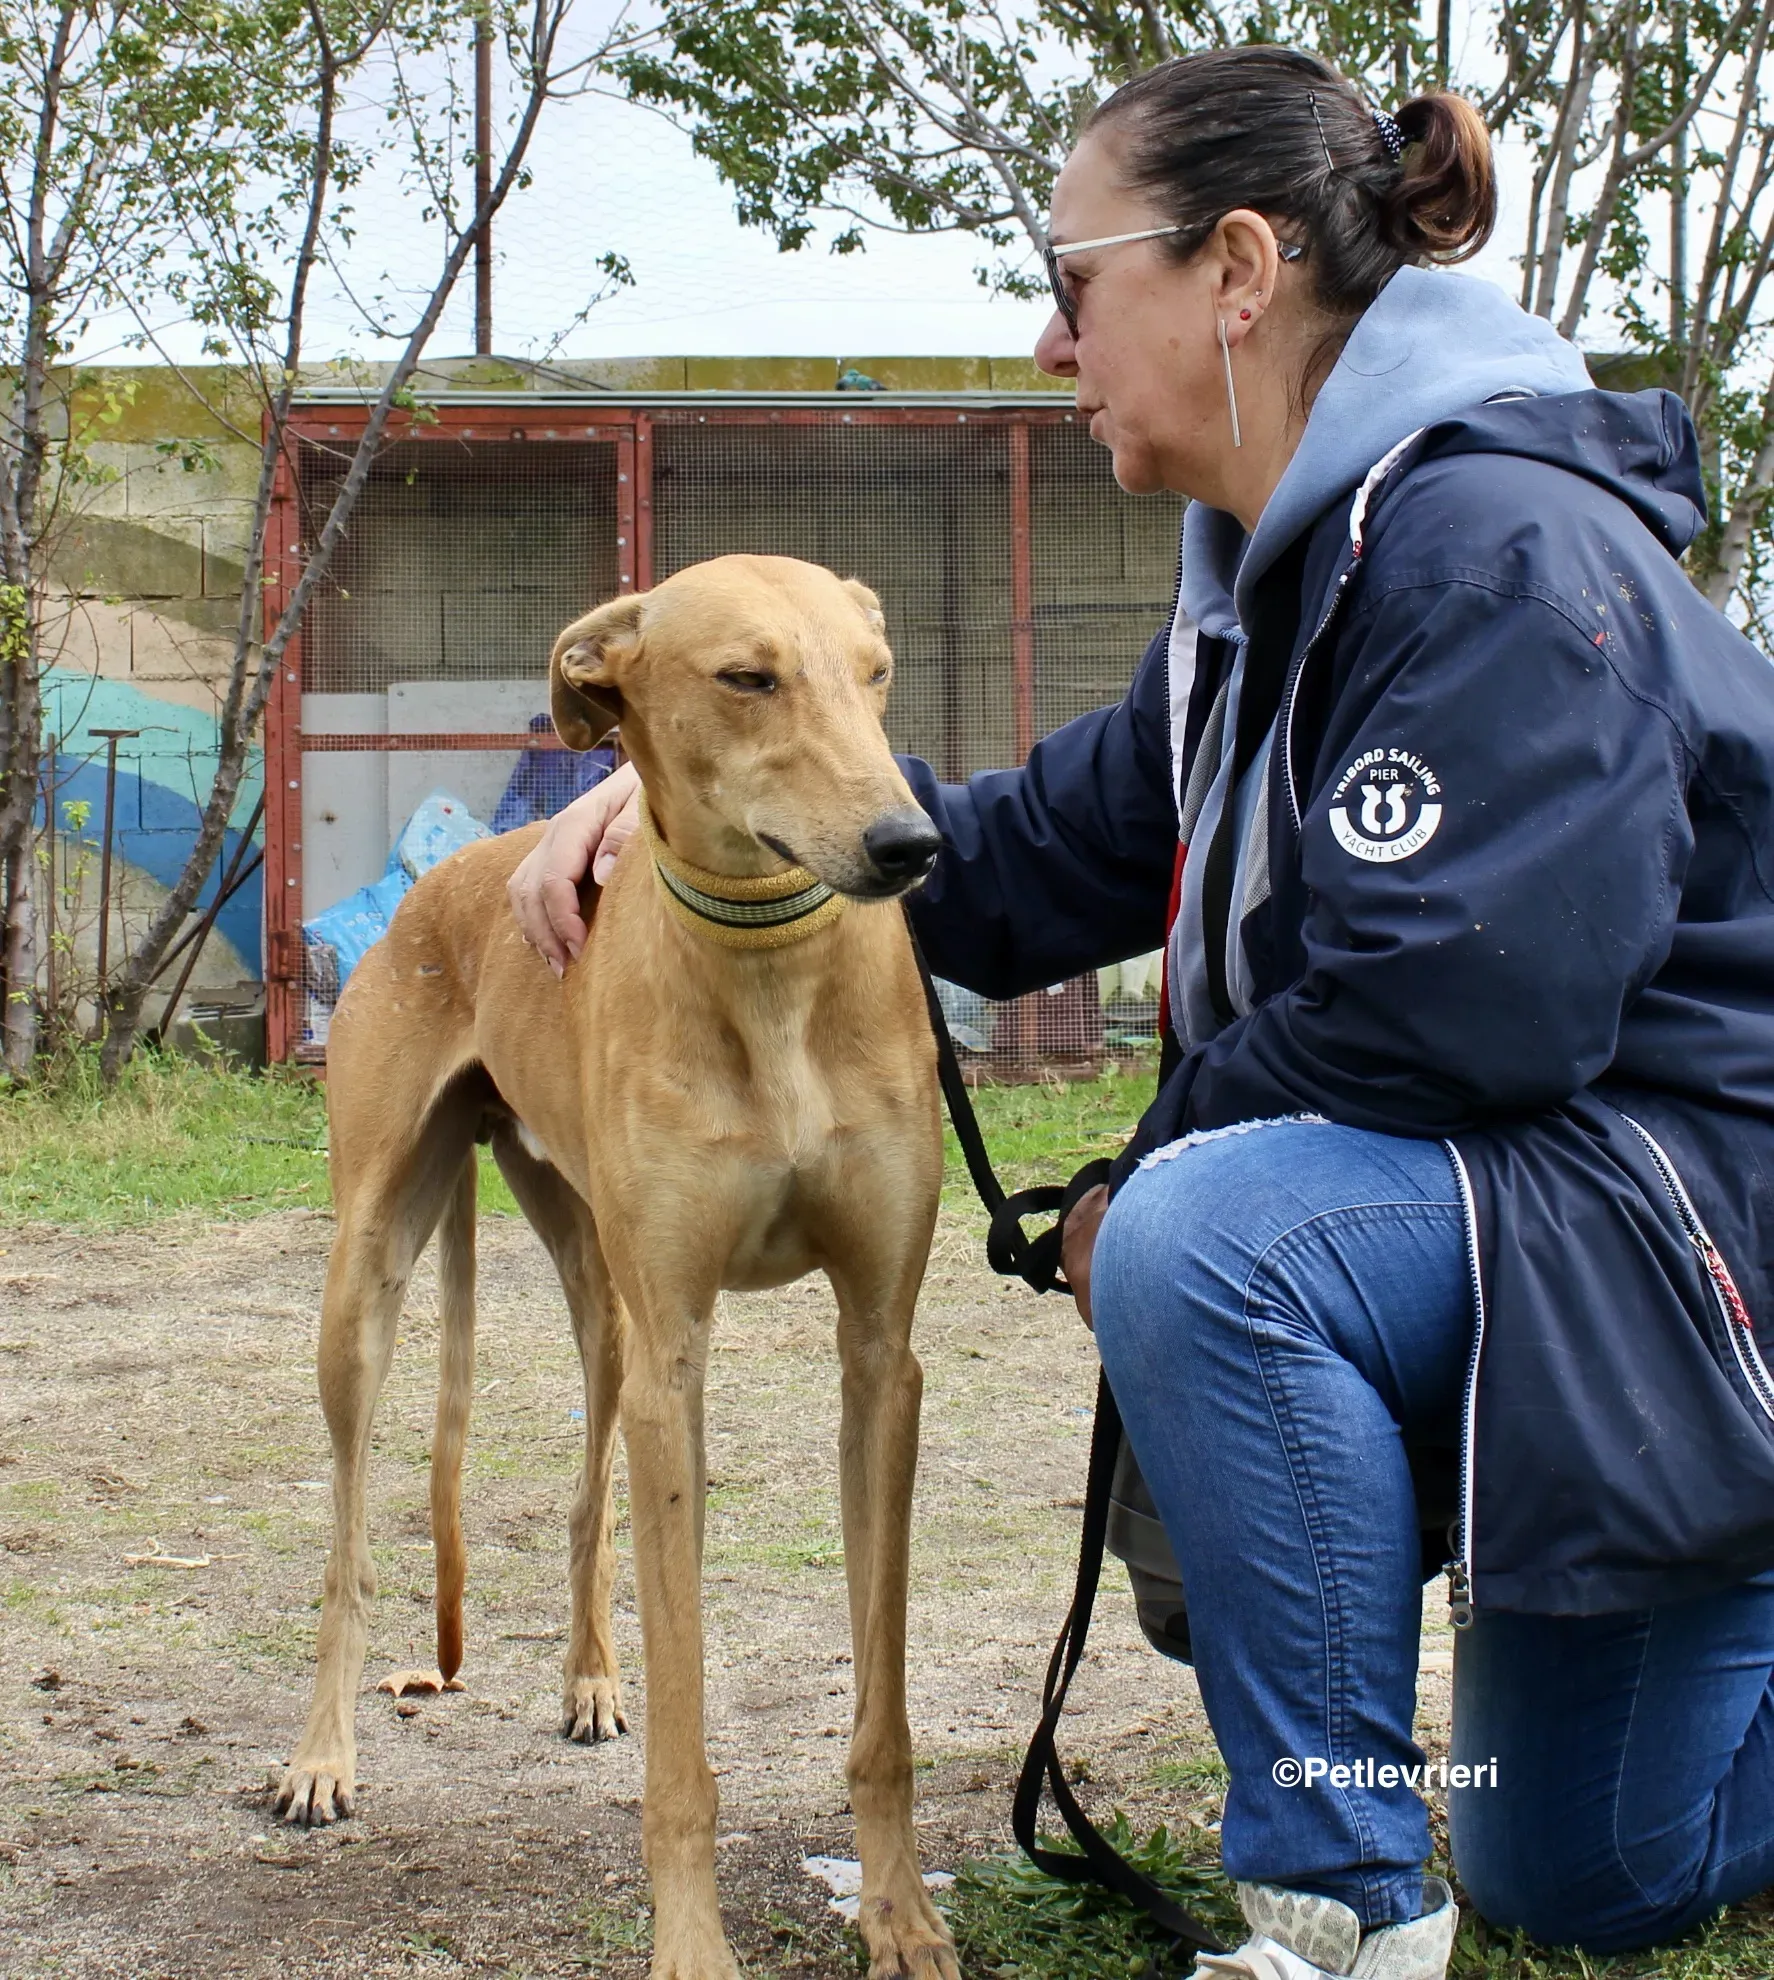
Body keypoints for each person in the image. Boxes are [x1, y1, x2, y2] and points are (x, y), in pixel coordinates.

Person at [507, 45, 1774, 1980]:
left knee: (1208, 1239)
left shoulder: (1496, 554)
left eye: (1074, 278)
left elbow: (1461, 1008)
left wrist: (1140, 1179)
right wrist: (680, 777)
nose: (1043, 339)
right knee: (1584, 1868)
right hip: (1559, 1257)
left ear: (1237, 274)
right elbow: (1002, 862)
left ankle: (1338, 1908)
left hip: (1687, 1253)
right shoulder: (1271, 601)